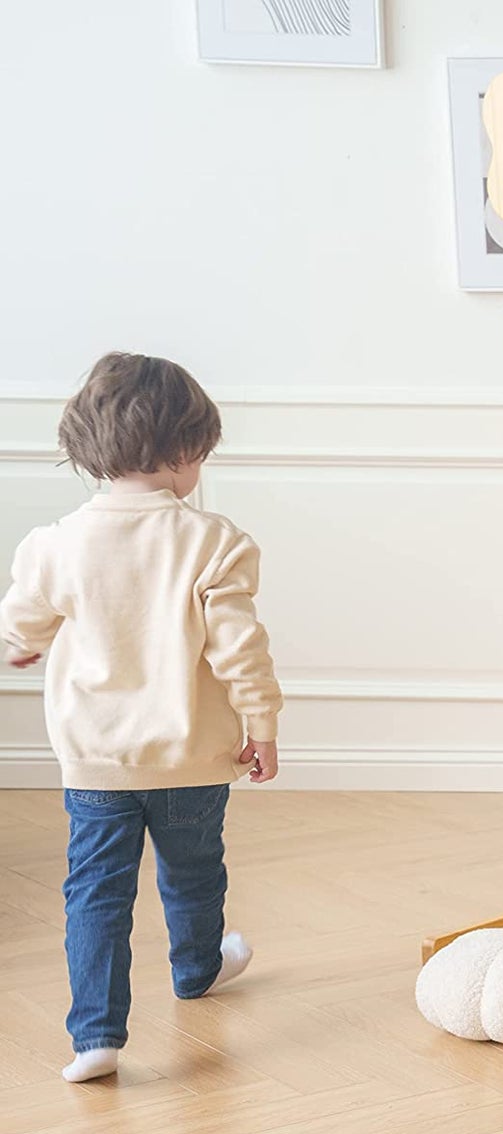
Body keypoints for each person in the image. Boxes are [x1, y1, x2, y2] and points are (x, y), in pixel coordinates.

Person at [0, 353, 282, 1082]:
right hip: (191, 757)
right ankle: (195, 969)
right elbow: (240, 650)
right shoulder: (214, 542)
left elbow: (22, 625)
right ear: (184, 452)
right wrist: (262, 726)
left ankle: (95, 1036)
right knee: (193, 873)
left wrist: (22, 648)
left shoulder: (54, 545)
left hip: (96, 760)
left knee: (95, 889)